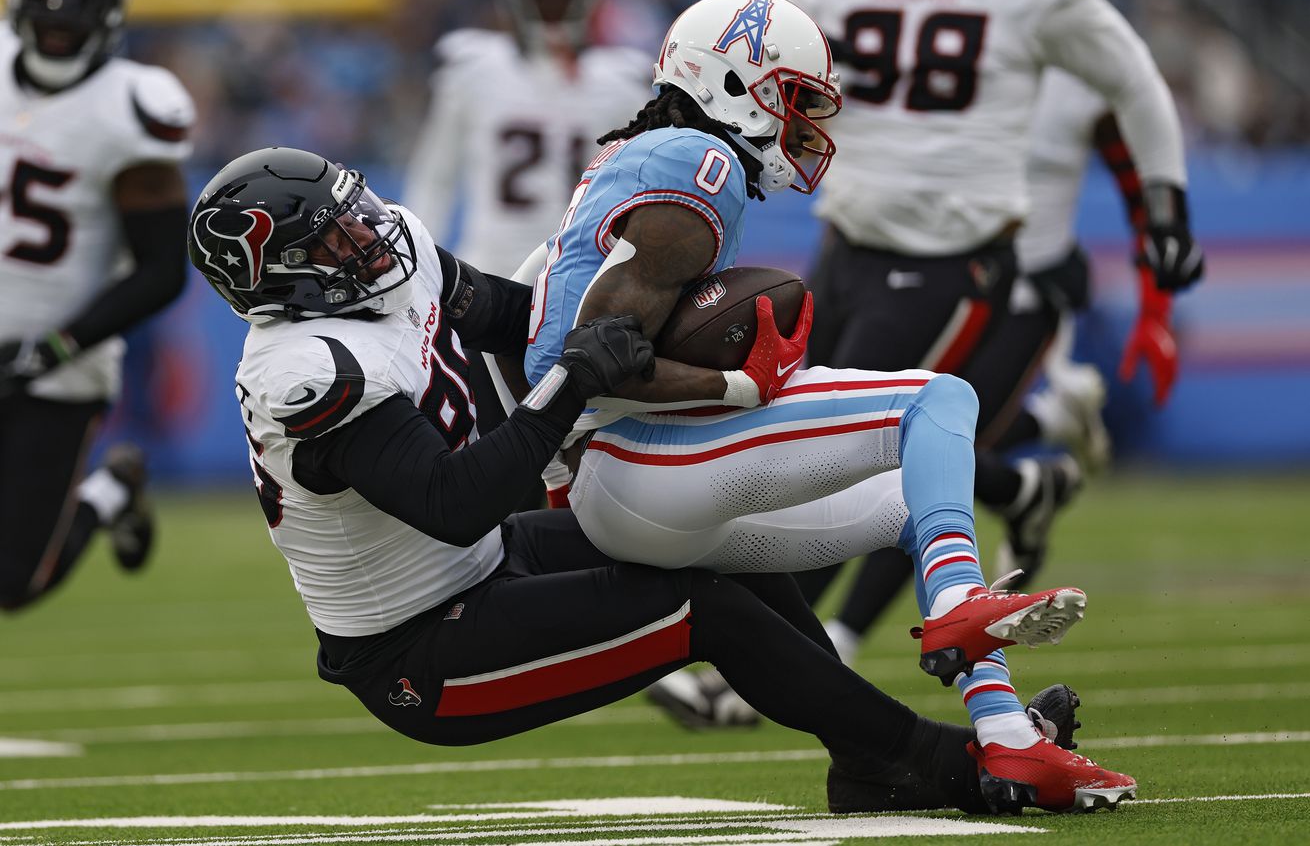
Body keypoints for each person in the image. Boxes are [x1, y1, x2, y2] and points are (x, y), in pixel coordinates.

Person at [189, 145, 1096, 817]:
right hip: (420, 653)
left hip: (488, 564)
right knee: (706, 610)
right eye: (337, 237)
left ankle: (869, 762)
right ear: (279, 273)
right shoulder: (307, 370)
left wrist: (637, 331)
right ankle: (942, 764)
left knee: (698, 535)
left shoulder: (395, 269)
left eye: (357, 215)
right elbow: (454, 503)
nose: (367, 237)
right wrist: (573, 382)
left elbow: (513, 316)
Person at [514, 0, 1133, 812]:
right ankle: (957, 607)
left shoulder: (651, 154)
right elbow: (575, 359)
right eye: (791, 95)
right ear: (732, 82)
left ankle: (1007, 743)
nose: (802, 118)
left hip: (623, 467)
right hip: (633, 462)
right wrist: (733, 383)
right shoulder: (697, 165)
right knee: (936, 402)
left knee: (915, 498)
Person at [776, 0, 1204, 654]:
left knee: (871, 450)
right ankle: (1024, 485)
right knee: (814, 438)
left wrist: (1165, 219)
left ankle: (812, 639)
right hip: (847, 240)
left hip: (964, 261)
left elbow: (1134, 86)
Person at [403, 0, 650, 473]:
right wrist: (415, 267)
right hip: (487, 283)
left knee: (585, 451)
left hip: (581, 283)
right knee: (492, 447)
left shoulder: (623, 79)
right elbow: (435, 175)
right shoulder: (473, 69)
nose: (551, 3)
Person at [0, 0, 193, 612]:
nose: (58, 35)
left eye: (72, 25)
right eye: (48, 21)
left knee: (14, 582)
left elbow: (163, 268)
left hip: (58, 369)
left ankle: (112, 487)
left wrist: (54, 348)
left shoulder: (130, 106)